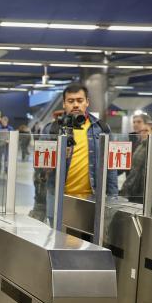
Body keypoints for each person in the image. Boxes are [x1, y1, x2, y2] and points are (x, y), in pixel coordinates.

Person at [35, 83, 117, 221]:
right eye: (70, 101)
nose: (75, 105)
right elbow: (40, 169)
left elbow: (110, 166)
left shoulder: (101, 128)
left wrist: (112, 197)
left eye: (80, 100)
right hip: (58, 197)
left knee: (89, 241)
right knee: (58, 240)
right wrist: (57, 158)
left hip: (92, 198)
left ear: (87, 102)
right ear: (64, 104)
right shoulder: (52, 129)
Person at [119, 121, 152, 207]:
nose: (143, 133)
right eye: (142, 131)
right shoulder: (143, 144)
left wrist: (149, 178)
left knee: (147, 218)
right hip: (139, 189)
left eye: (146, 131)